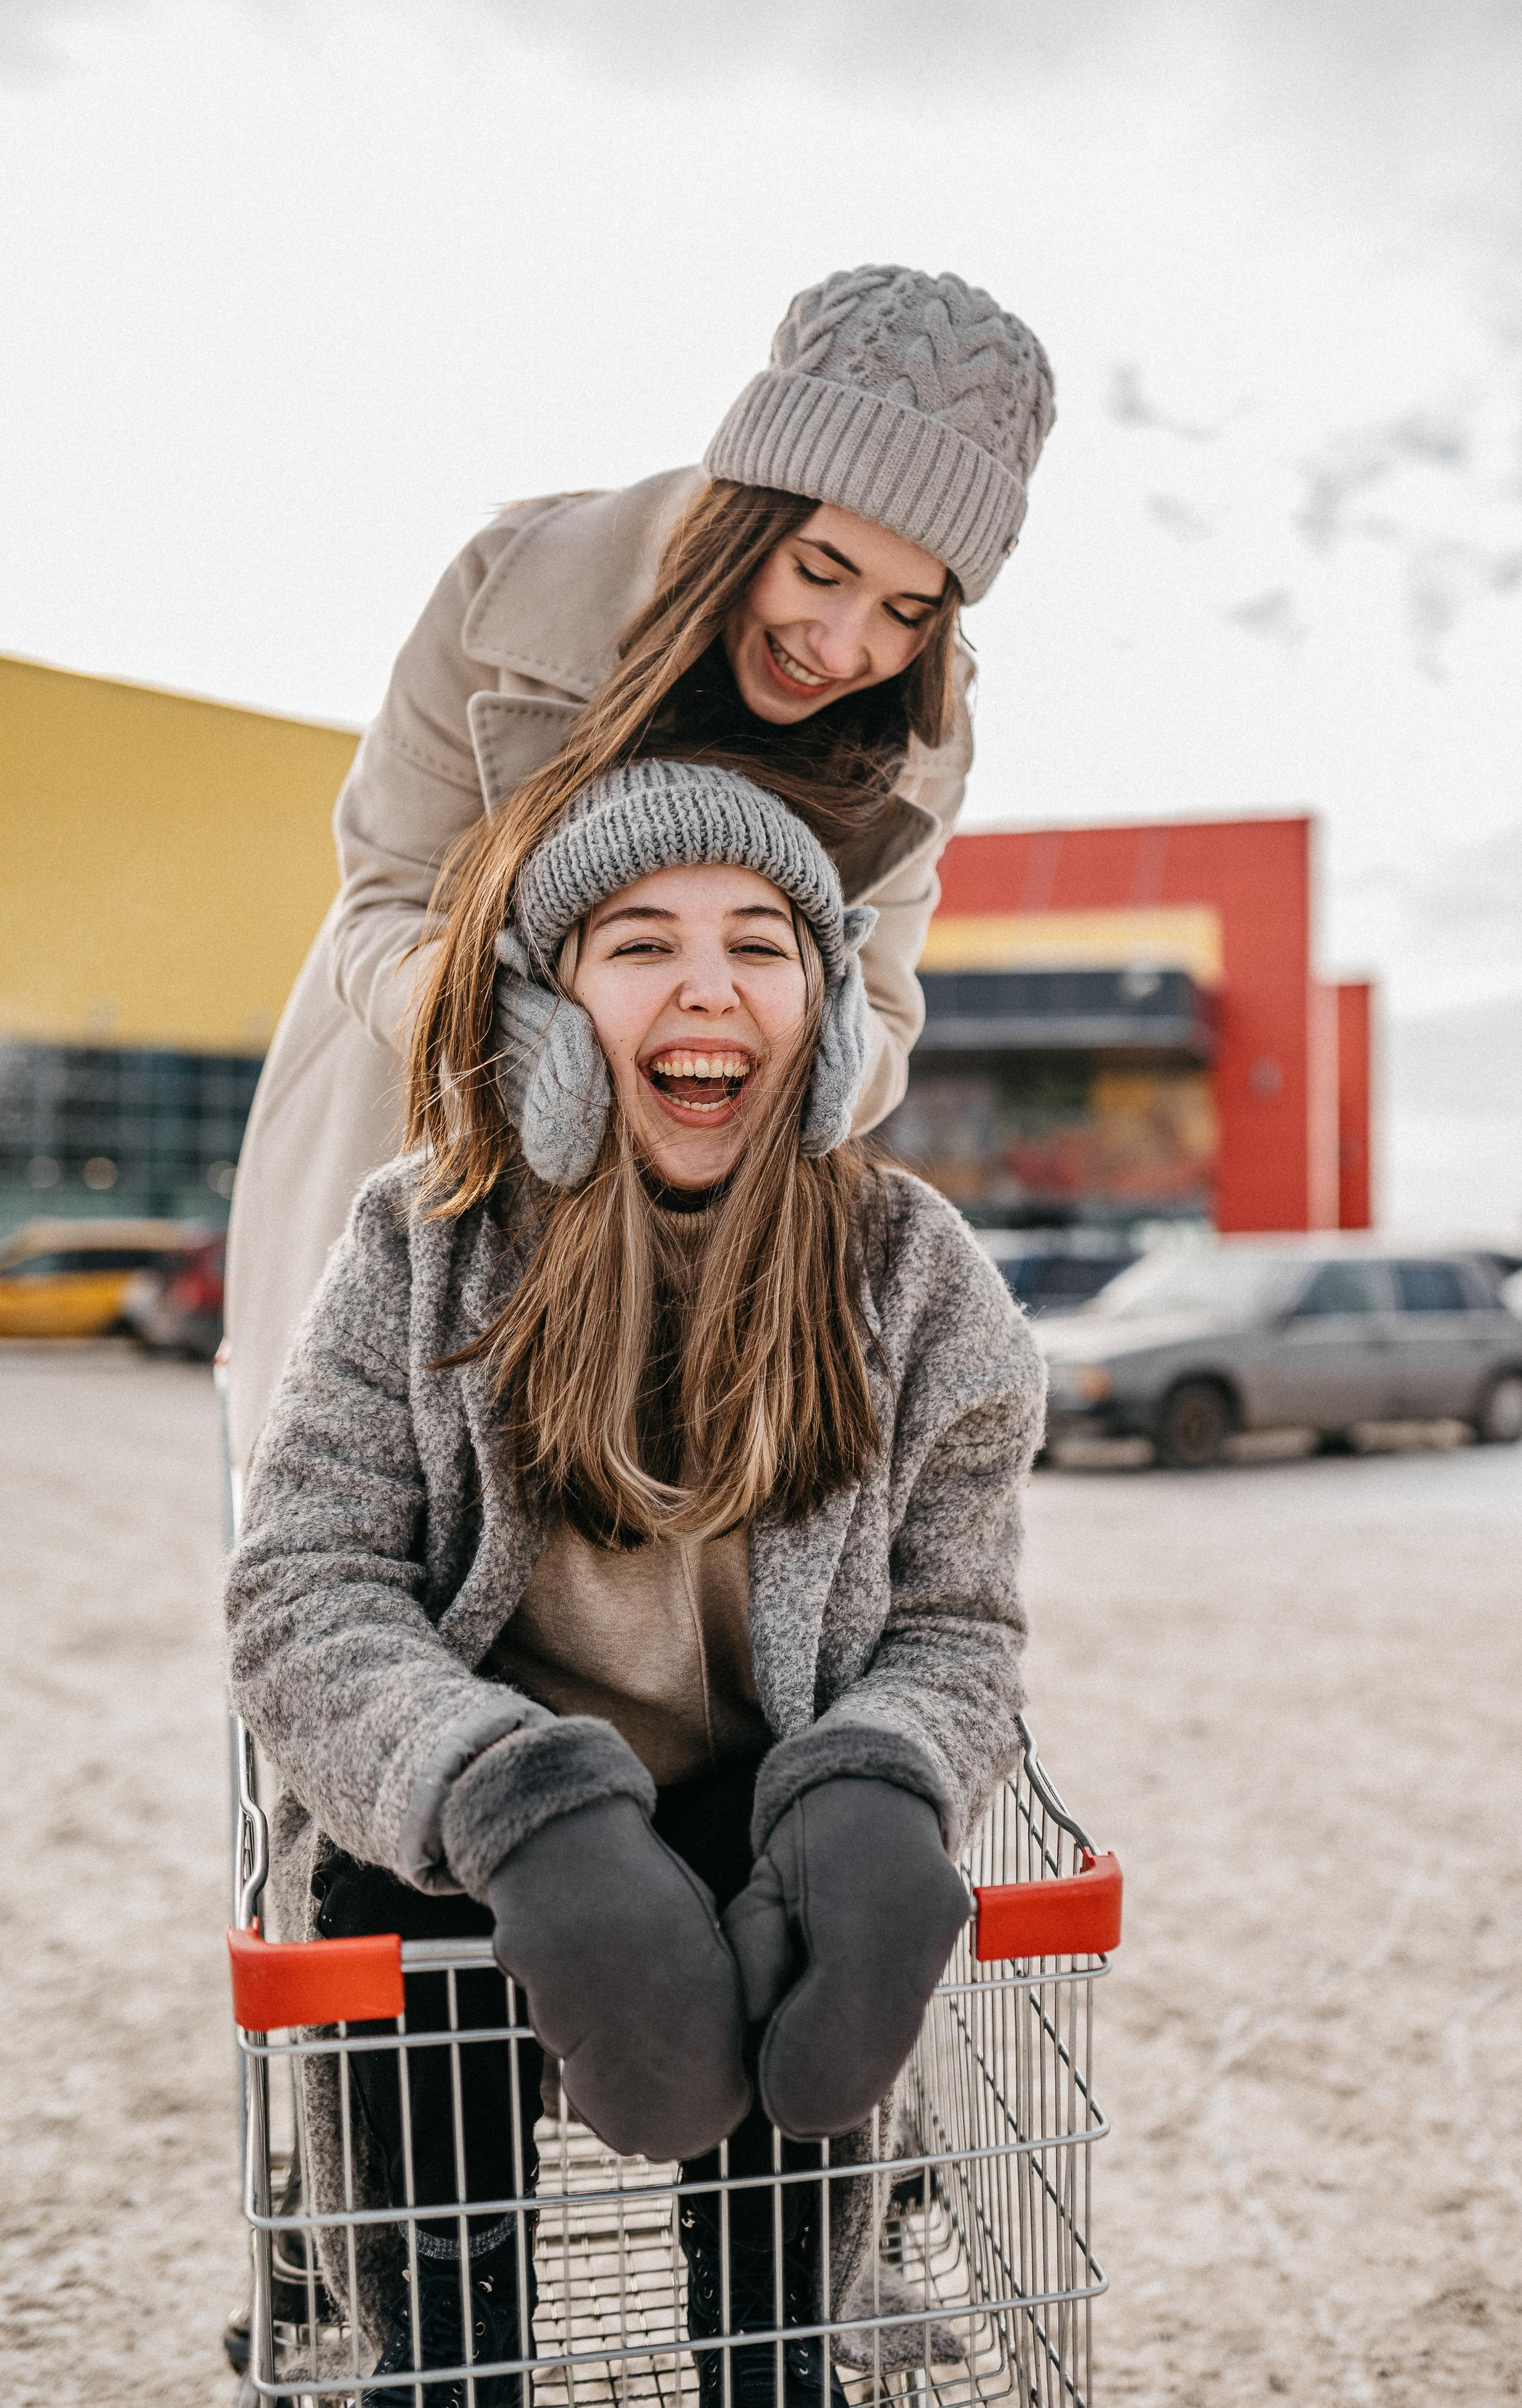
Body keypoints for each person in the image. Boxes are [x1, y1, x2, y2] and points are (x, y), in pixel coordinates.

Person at [225, 759, 1046, 2404]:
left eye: (761, 943)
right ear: (551, 1004)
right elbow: (305, 1589)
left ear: (818, 1004)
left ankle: (771, 2364)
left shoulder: (914, 1275)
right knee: (387, 1925)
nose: (706, 987)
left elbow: (959, 1622)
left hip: (763, 1800)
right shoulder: (426, 1244)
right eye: (640, 943)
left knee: (794, 2008)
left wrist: (886, 1789)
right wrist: (512, 1797)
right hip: (474, 1829)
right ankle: (448, 2367)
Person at [223, 262, 1055, 1468]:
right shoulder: (509, 589)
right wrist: (515, 1048)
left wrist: (788, 1070)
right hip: (414, 1124)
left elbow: (878, 1012)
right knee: (355, 1546)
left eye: (908, 609)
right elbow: (384, 897)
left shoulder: (922, 739)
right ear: (748, 508)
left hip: (687, 1232)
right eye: (820, 571)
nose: (843, 644)